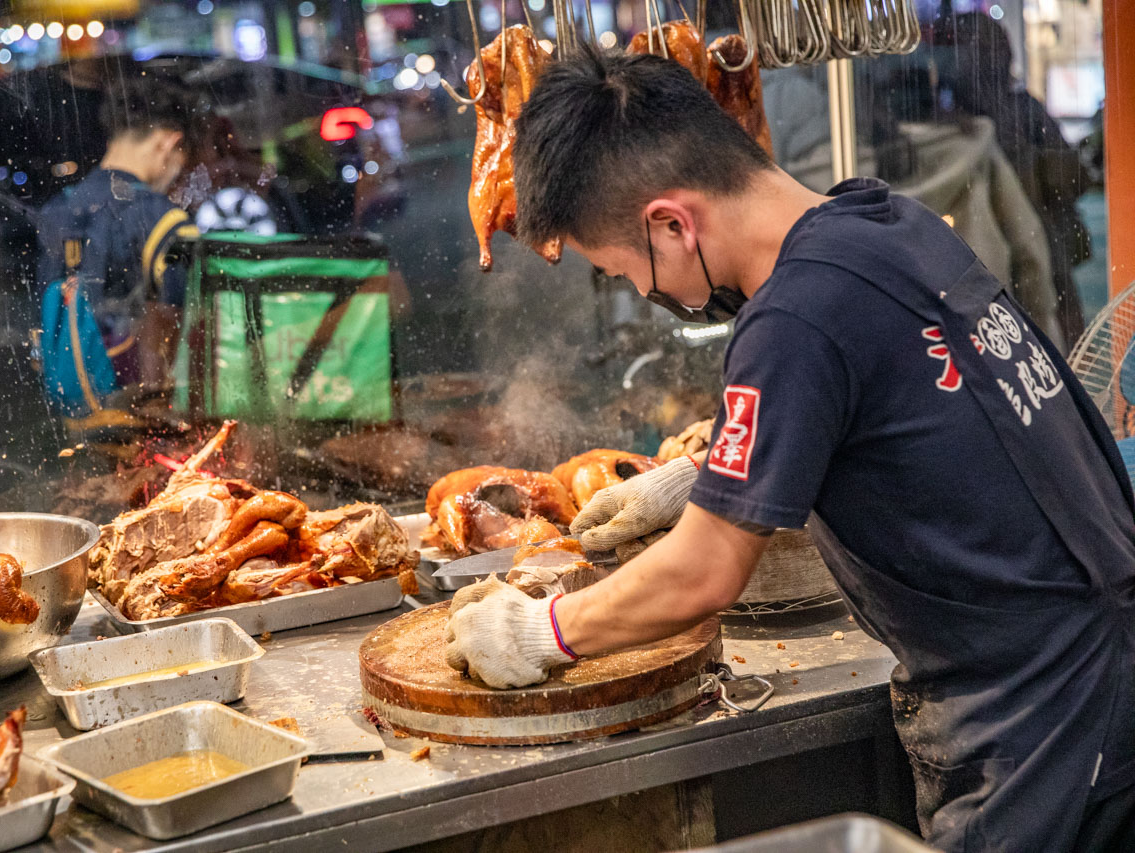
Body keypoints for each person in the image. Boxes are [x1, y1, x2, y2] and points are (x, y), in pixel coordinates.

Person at [443, 49, 1135, 852]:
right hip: (1093, 664)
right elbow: (901, 406)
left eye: (622, 269)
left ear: (671, 224)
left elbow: (704, 572)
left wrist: (541, 630)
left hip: (1043, 718)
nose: (642, 292)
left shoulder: (793, 317)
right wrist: (705, 475)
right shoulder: (885, 220)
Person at [36, 76, 203, 404]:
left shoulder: (58, 209)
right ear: (168, 143)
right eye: (182, 160)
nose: (177, 175)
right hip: (142, 405)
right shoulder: (163, 218)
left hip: (74, 405)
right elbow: (182, 321)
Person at [950, 12, 1093, 347]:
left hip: (1023, 252)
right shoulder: (1007, 112)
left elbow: (1072, 177)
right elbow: (1075, 178)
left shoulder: (959, 122)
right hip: (1019, 251)